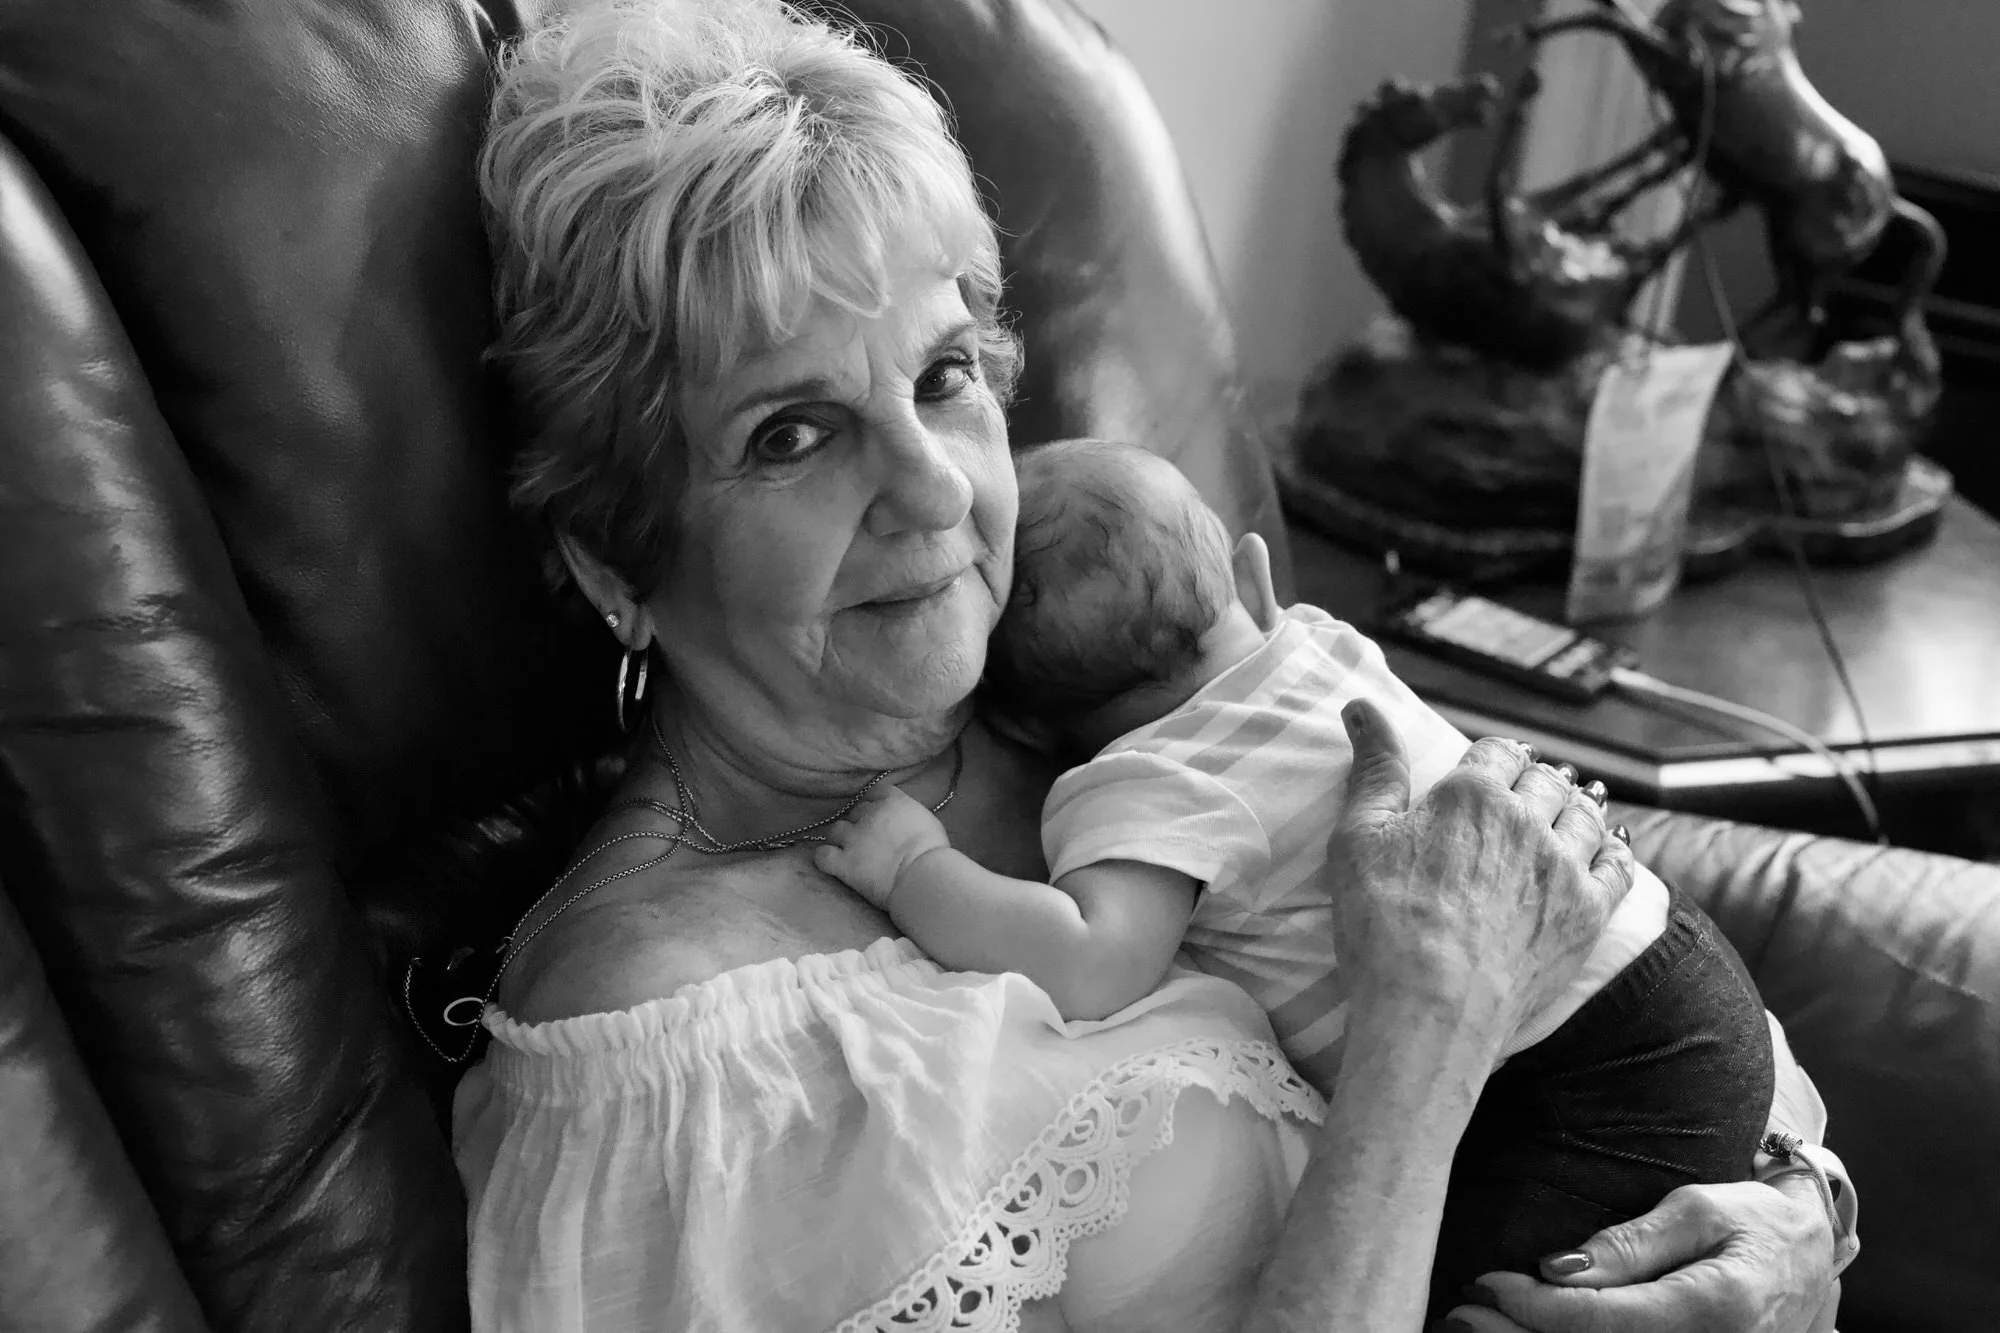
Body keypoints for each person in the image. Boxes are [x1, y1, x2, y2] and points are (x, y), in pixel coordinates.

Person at [451, 1, 1854, 1329]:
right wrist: (1429, 1025)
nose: (936, 493)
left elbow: (1586, 938)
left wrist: (1795, 1213)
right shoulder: (678, 1064)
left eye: (944, 377)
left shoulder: (1090, 697)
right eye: (792, 434)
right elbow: (1461, 970)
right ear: (615, 562)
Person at [815, 437, 1780, 1316]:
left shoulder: (1153, 780)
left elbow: (1094, 961)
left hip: (1554, 1070)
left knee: (1488, 1303)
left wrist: (915, 868)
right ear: (1255, 575)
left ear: (1023, 729)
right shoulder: (1324, 646)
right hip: (1679, 963)